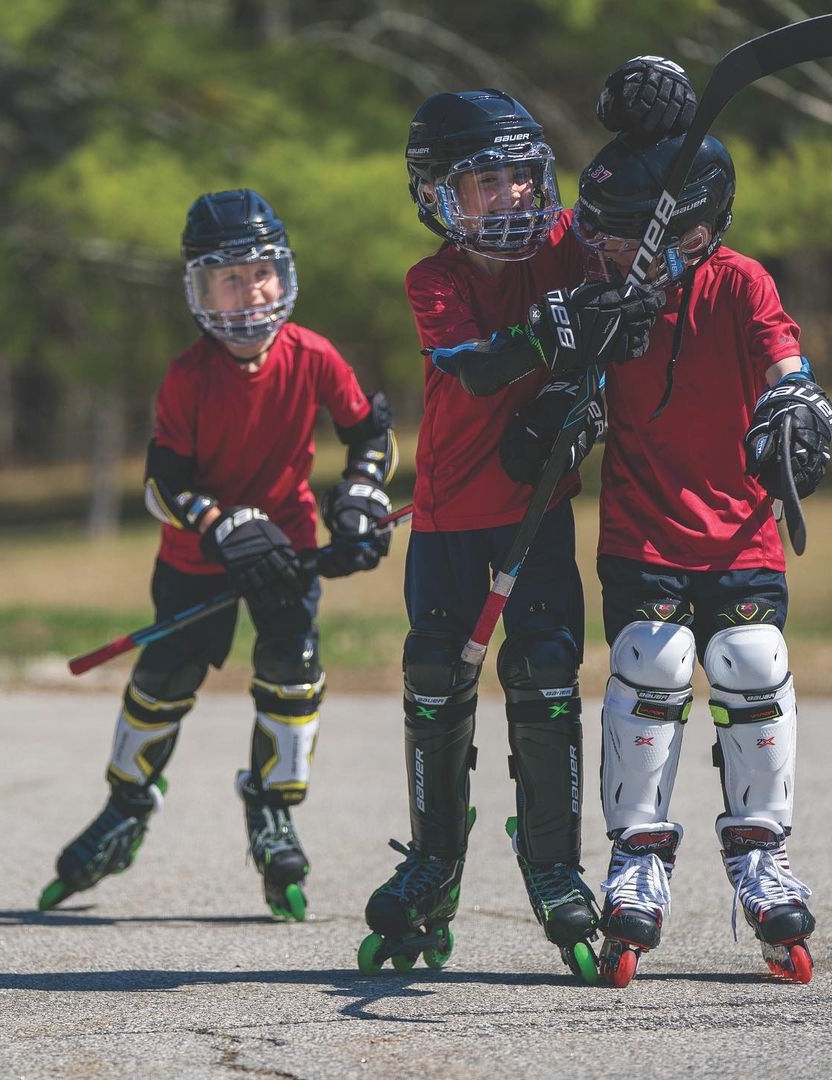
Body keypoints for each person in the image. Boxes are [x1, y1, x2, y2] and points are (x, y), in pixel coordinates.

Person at [357, 75, 674, 981]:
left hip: (536, 517)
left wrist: (660, 136)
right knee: (433, 680)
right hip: (453, 519)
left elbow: (651, 235)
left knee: (542, 679)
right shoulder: (436, 279)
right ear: (437, 199)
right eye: (482, 184)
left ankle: (552, 869)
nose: (511, 199)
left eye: (522, 178)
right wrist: (548, 335)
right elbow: (473, 366)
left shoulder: (572, 246)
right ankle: (433, 866)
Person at [39, 188, 398, 920]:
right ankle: (127, 805)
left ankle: (272, 810)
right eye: (227, 277)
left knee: (292, 682)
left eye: (260, 270)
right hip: (197, 561)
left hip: (289, 551)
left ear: (283, 273)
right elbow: (160, 485)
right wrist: (222, 521)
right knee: (162, 682)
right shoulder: (187, 377)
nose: (249, 289)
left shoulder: (314, 355)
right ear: (199, 290)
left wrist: (361, 492)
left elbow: (370, 433)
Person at [554, 120, 828, 986]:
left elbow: (786, 359)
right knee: (654, 659)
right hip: (643, 525)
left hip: (741, 525)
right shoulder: (600, 289)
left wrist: (800, 403)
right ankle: (638, 856)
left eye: (620, 226)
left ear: (693, 230)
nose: (597, 241)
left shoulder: (739, 282)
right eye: (597, 222)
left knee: (752, 658)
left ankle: (760, 854)